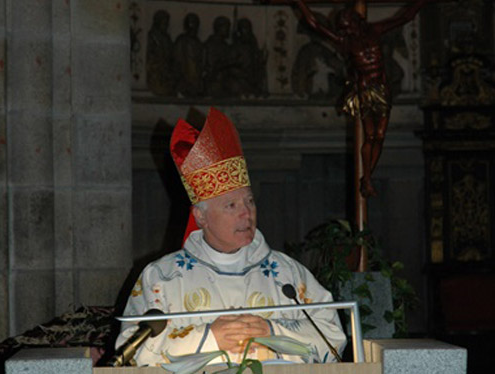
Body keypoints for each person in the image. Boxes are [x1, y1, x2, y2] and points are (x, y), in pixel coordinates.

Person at [116, 108, 347, 366]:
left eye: (249, 201)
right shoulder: (162, 277)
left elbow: (332, 338)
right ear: (201, 217)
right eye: (231, 206)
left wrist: (272, 332)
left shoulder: (288, 275)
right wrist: (209, 337)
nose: (246, 213)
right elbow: (130, 351)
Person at [294, 0, 430, 197]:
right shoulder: (345, 42)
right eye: (343, 28)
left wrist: (420, 3)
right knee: (370, 135)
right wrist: (300, 4)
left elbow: (404, 17)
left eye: (348, 25)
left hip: (382, 88)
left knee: (381, 135)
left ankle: (368, 175)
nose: (346, 30)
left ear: (355, 21)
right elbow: (315, 24)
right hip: (365, 90)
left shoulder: (374, 31)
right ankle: (366, 178)